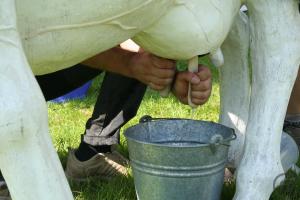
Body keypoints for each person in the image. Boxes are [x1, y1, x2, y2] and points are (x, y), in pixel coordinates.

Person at [0, 41, 212, 198]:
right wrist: (131, 64)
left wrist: (166, 77)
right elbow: (47, 36)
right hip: (12, 64)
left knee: (143, 35)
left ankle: (93, 152)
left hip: (45, 60)